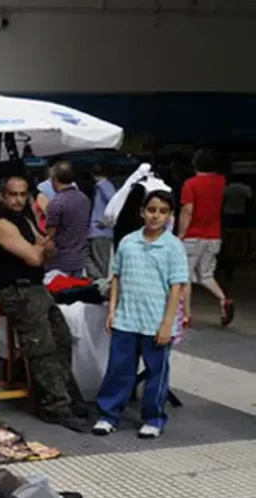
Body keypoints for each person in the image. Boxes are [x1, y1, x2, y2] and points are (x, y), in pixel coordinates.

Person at [0, 176, 88, 432]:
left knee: (62, 338)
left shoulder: (25, 219)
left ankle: (67, 396)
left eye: (22, 194)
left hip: (35, 288)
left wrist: (40, 247)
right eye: (13, 194)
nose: (18, 199)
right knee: (43, 347)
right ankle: (56, 405)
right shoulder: (1, 224)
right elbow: (34, 256)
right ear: (2, 196)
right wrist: (39, 247)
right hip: (17, 291)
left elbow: (48, 248)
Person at [93, 191, 188, 439]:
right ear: (142, 212)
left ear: (170, 216)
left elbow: (177, 286)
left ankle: (154, 418)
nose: (156, 215)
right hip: (127, 319)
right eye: (152, 209)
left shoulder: (173, 246)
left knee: (156, 374)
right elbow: (117, 277)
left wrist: (168, 323)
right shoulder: (127, 242)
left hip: (156, 322)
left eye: (163, 211)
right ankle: (108, 415)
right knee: (118, 369)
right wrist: (112, 310)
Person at [178, 148, 231, 326]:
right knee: (206, 275)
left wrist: (180, 235)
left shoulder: (191, 184)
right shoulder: (221, 182)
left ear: (194, 164)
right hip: (214, 236)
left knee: (183, 276)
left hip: (193, 236)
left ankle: (185, 315)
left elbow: (187, 211)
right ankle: (224, 300)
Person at [45, 161, 91, 277]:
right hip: (80, 260)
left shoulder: (56, 203)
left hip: (60, 262)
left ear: (54, 179)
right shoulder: (84, 198)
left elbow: (50, 237)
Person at [85, 163, 117, 279]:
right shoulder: (101, 186)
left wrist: (106, 221)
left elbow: (115, 204)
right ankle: (98, 281)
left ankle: (101, 284)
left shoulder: (105, 186)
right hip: (96, 231)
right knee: (89, 258)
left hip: (101, 232)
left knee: (100, 262)